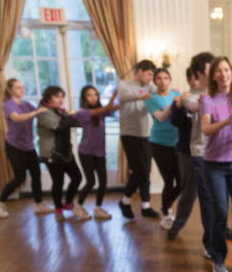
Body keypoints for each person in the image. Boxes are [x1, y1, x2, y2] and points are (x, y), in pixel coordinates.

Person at [166, 52, 214, 256]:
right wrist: (179, 104)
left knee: (213, 197)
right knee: (190, 192)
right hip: (188, 152)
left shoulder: (215, 95)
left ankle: (215, 236)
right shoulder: (187, 98)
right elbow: (175, 121)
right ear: (197, 75)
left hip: (213, 154)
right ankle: (176, 226)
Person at [200, 56, 232, 272]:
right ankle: (217, 257)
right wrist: (230, 119)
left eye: (227, 69)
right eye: (219, 70)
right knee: (220, 212)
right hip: (214, 164)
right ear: (213, 76)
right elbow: (206, 129)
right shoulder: (208, 99)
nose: (223, 74)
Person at [0, 78, 52, 218]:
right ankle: (0, 202)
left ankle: (39, 205)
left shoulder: (26, 104)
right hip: (14, 147)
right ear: (10, 90)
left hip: (28, 146)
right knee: (20, 178)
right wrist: (35, 113)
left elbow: (41, 113)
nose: (22, 90)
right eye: (18, 87)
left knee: (36, 174)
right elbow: (16, 118)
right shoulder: (8, 105)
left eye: (23, 87)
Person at [117, 59, 159, 219]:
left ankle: (145, 205)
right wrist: (148, 94)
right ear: (140, 71)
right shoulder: (124, 85)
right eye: (149, 74)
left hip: (146, 134)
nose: (151, 78)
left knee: (146, 170)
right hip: (129, 134)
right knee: (139, 170)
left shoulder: (150, 86)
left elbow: (160, 91)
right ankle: (125, 200)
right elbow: (127, 96)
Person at [36, 86, 85, 221]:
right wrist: (74, 115)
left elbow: (73, 122)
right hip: (52, 153)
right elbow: (59, 126)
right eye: (57, 96)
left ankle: (68, 202)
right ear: (48, 98)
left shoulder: (61, 112)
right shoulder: (43, 112)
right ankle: (58, 209)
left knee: (77, 177)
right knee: (58, 182)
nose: (61, 99)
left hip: (65, 151)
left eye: (62, 96)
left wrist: (83, 116)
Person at [145, 68, 181, 229]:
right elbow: (161, 117)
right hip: (159, 143)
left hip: (177, 143)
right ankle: (166, 213)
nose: (162, 81)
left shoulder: (176, 95)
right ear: (155, 81)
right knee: (169, 180)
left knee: (182, 182)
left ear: (170, 80)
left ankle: (165, 207)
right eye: (159, 78)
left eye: (166, 78)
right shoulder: (150, 98)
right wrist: (175, 102)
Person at [76, 85, 119, 219]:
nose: (93, 97)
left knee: (103, 182)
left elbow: (112, 107)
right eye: (89, 95)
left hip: (100, 152)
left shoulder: (100, 112)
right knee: (90, 182)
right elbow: (107, 107)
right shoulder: (82, 112)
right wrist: (116, 92)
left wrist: (128, 97)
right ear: (84, 98)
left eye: (95, 94)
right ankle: (78, 206)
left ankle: (98, 208)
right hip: (86, 152)